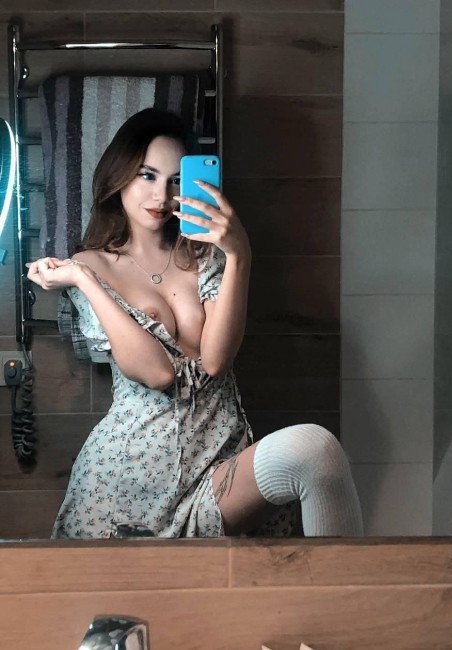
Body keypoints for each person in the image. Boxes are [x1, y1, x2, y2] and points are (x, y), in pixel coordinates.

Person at [27, 108, 363, 539]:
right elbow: (156, 373)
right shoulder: (90, 266)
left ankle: (346, 584)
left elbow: (217, 360)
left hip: (216, 463)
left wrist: (240, 254)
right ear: (119, 177)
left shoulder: (205, 255)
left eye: (176, 180)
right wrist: (83, 279)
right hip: (129, 478)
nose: (161, 195)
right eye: (147, 175)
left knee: (315, 450)